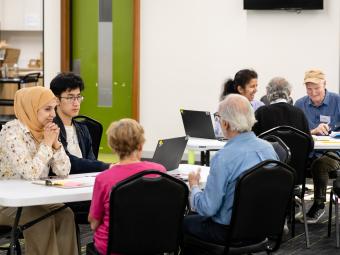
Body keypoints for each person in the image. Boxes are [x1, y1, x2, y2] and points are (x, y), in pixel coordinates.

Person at [182, 94, 278, 251]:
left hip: (228, 233)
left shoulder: (224, 157)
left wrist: (194, 187)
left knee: (184, 222)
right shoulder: (268, 148)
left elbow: (208, 209)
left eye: (218, 117)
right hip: (263, 229)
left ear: (225, 123)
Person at [0, 87, 78, 255]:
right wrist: (47, 145)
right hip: (8, 202)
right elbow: (30, 173)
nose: (53, 115)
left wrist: (56, 145)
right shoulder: (11, 132)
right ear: (30, 107)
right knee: (41, 219)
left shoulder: (45, 130)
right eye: (47, 109)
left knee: (65, 214)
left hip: (36, 198)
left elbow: (64, 170)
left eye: (54, 109)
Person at [88, 118, 166, 255]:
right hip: (153, 246)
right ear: (141, 145)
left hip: (113, 248)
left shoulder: (104, 179)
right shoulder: (159, 171)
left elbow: (94, 223)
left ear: (113, 147)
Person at [295, 69, 340, 223]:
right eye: (309, 89)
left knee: (319, 165)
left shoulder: (337, 100)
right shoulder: (300, 104)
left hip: (333, 153)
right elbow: (295, 132)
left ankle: (319, 205)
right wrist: (313, 131)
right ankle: (287, 207)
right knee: (287, 162)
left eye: (317, 88)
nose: (313, 93)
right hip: (308, 152)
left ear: (325, 85)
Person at [50, 72, 110, 174]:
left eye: (78, 97)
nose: (76, 103)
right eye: (70, 97)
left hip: (84, 181)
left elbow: (91, 161)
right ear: (57, 100)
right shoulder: (51, 128)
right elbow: (68, 161)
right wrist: (106, 166)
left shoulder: (83, 129)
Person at [214, 69, 264, 136]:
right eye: (252, 86)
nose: (256, 90)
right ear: (240, 89)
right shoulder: (225, 108)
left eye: (256, 86)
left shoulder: (259, 106)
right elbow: (220, 133)